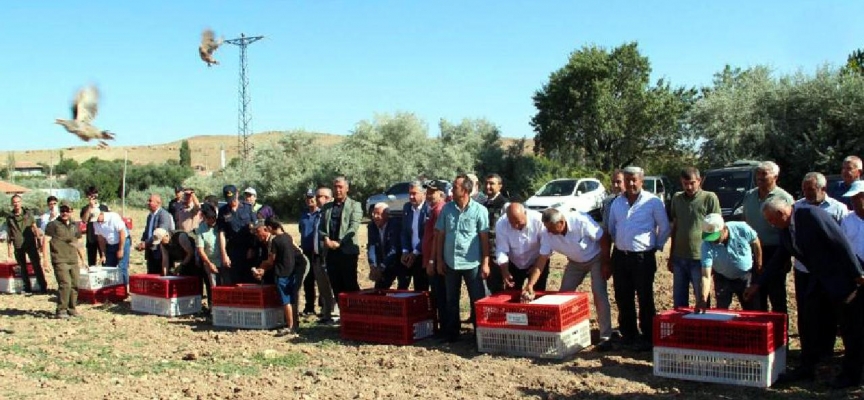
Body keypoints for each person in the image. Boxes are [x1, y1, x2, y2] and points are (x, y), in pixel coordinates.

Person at [744, 197, 864, 389]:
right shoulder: (785, 230)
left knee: (850, 327)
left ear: (781, 213)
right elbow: (778, 259)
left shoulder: (811, 215)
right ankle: (807, 367)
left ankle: (852, 375)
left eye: (771, 220)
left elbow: (840, 242)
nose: (770, 224)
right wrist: (758, 284)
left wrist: (857, 274)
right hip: (818, 279)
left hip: (843, 278)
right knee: (809, 321)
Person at [523, 207, 613, 351]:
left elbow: (603, 237)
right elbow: (542, 260)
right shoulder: (547, 233)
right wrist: (531, 284)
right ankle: (560, 330)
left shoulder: (580, 221)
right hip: (575, 262)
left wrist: (606, 262)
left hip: (595, 258)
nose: (549, 232)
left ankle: (606, 336)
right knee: (563, 295)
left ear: (562, 222)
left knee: (598, 293)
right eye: (547, 228)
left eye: (552, 228)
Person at [606, 166, 670, 351]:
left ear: (642, 181)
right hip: (620, 256)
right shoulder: (617, 202)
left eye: (634, 180)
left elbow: (664, 227)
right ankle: (629, 334)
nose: (631, 183)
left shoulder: (653, 202)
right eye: (628, 180)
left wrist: (655, 246)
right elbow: (612, 228)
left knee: (645, 297)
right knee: (622, 296)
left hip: (642, 258)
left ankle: (648, 336)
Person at [793, 172, 848, 358]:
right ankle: (807, 350)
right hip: (804, 269)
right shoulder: (797, 207)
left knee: (827, 311)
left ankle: (826, 351)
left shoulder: (838, 209)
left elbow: (843, 240)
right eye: (804, 190)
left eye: (811, 189)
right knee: (806, 311)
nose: (807, 193)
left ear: (823, 189)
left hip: (828, 270)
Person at [435, 174, 489, 343]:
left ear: (465, 190)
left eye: (455, 186)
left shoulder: (480, 210)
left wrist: (485, 263)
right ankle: (452, 334)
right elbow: (440, 235)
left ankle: (479, 335)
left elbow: (484, 238)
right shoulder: (447, 209)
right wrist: (438, 259)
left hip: (472, 262)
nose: (452, 189)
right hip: (451, 262)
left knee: (477, 299)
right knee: (451, 299)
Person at [741, 161, 794, 314]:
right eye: (758, 174)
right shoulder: (749, 196)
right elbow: (745, 221)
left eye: (764, 174)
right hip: (753, 251)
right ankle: (763, 333)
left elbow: (790, 228)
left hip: (776, 252)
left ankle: (780, 335)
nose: (759, 177)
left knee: (777, 296)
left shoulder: (785, 197)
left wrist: (786, 258)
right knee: (757, 295)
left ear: (775, 176)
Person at [668, 167, 721, 307]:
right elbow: (675, 226)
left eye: (692, 183)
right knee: (679, 301)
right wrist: (671, 254)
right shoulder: (677, 198)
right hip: (680, 258)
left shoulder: (709, 198)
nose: (689, 187)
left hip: (700, 258)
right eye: (685, 183)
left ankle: (704, 327)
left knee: (702, 299)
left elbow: (715, 228)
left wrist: (713, 258)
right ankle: (680, 328)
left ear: (699, 180)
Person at [252, 219, 307, 336]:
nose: (257, 235)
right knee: (291, 295)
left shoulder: (275, 240)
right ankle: (292, 323)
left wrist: (262, 268)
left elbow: (272, 261)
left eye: (258, 231)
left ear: (267, 229)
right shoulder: (285, 236)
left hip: (297, 266)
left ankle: (291, 325)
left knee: (290, 296)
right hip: (290, 268)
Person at [697, 214, 762, 311]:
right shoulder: (706, 245)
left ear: (723, 229)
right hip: (722, 277)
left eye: (715, 236)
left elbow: (756, 242)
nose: (712, 240)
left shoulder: (742, 228)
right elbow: (706, 276)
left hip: (745, 276)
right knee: (721, 310)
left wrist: (759, 265)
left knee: (752, 309)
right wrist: (703, 299)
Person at [319, 177, 363, 299]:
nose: (337, 190)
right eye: (335, 187)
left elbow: (353, 227)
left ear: (347, 188)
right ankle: (343, 315)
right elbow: (321, 226)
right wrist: (326, 239)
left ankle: (354, 314)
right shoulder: (327, 207)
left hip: (347, 252)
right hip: (331, 252)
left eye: (340, 187)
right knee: (336, 285)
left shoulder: (355, 205)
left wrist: (339, 242)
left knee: (350, 285)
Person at [43, 203, 86, 318]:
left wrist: (83, 260)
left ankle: (72, 309)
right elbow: (45, 241)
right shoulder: (53, 225)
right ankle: (61, 310)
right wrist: (45, 260)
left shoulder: (74, 226)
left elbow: (78, 244)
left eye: (67, 210)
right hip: (59, 259)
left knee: (75, 284)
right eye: (62, 210)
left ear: (71, 211)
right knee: (65, 284)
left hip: (73, 260)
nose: (64, 213)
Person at [495, 202, 548, 291]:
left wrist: (535, 268)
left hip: (537, 260)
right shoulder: (501, 224)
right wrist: (505, 270)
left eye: (518, 222)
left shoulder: (539, 221)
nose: (516, 226)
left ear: (525, 213)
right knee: (511, 294)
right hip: (514, 262)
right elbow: (501, 249)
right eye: (512, 223)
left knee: (538, 294)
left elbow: (546, 249)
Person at [7, 194, 48, 294]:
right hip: (18, 244)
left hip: (30, 243)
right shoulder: (10, 218)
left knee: (36, 265)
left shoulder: (28, 214)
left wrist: (39, 243)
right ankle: (27, 287)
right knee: (22, 267)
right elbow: (9, 234)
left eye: (18, 202)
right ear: (12, 204)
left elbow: (35, 228)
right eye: (14, 202)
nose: (16, 204)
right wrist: (9, 251)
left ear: (21, 203)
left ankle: (42, 286)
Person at [422, 180, 448, 334]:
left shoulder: (439, 210)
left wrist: (433, 260)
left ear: (441, 193)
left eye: (433, 192)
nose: (429, 195)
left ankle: (446, 329)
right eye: (428, 192)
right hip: (431, 260)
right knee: (438, 295)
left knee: (441, 296)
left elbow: (438, 238)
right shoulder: (434, 210)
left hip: (436, 261)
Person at [217, 185, 257, 284]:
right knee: (235, 280)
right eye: (229, 199)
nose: (232, 201)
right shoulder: (223, 211)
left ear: (237, 194)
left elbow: (255, 229)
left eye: (233, 198)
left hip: (248, 249)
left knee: (249, 279)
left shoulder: (247, 208)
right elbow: (221, 233)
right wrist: (224, 254)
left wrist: (252, 247)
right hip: (233, 250)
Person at [313, 187, 337, 324]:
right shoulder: (318, 215)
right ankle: (326, 313)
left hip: (329, 256)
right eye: (318, 197)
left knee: (331, 285)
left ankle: (334, 314)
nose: (320, 200)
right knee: (323, 288)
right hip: (317, 256)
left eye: (324, 197)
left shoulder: (332, 215)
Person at [400, 181, 430, 291]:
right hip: (409, 253)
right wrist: (405, 251)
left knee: (421, 286)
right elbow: (404, 231)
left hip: (423, 255)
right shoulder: (407, 208)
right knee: (402, 285)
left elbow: (427, 235)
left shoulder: (428, 209)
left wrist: (415, 252)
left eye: (414, 193)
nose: (411, 197)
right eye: (410, 194)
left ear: (424, 194)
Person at [482, 173, 509, 294]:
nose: (488, 186)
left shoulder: (504, 205)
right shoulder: (483, 204)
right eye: (486, 183)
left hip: (499, 253)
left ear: (500, 186)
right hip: (486, 252)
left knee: (498, 289)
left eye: (491, 184)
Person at [136, 194, 175, 275]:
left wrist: (146, 243)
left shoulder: (164, 215)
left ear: (158, 203)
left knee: (161, 276)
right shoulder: (150, 216)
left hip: (161, 252)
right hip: (151, 252)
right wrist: (142, 242)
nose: (148, 203)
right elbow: (147, 231)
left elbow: (160, 233)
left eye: (150, 201)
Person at [368, 203, 404, 289]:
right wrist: (373, 265)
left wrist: (381, 267)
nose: (375, 216)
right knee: (378, 289)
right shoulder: (372, 226)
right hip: (383, 263)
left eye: (378, 214)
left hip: (398, 261)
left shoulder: (395, 225)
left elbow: (394, 249)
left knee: (402, 289)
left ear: (387, 215)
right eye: (374, 213)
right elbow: (371, 246)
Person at [93, 210, 132, 284]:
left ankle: (124, 288)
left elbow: (122, 233)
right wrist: (103, 254)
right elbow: (101, 239)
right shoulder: (95, 222)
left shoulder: (114, 217)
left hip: (122, 241)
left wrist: (121, 250)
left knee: (122, 267)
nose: (97, 221)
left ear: (101, 214)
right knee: (108, 267)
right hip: (110, 243)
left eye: (97, 218)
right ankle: (110, 287)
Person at [298, 190, 320, 316]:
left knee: (322, 280)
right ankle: (309, 307)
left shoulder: (320, 214)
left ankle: (324, 307)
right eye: (307, 198)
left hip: (317, 251)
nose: (309, 200)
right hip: (306, 251)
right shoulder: (303, 215)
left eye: (312, 198)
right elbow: (301, 230)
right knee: (308, 280)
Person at [195, 204, 221, 302]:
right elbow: (200, 250)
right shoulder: (200, 229)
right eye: (210, 218)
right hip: (210, 261)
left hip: (222, 260)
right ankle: (213, 307)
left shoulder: (220, 225)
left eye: (214, 217)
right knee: (213, 286)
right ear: (205, 218)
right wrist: (209, 264)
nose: (212, 220)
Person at [79, 186, 110, 266]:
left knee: (104, 259)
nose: (92, 197)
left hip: (103, 236)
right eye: (90, 195)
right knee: (91, 261)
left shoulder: (104, 207)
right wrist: (90, 207)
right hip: (91, 237)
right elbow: (84, 220)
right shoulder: (85, 208)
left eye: (94, 195)